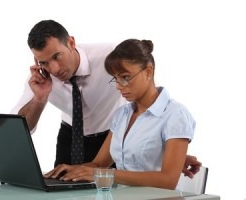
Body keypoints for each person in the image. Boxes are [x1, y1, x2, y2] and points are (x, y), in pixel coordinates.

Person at [11, 19, 201, 178]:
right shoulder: (123, 114)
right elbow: (20, 129)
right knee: (64, 187)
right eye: (44, 63)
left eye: (57, 57)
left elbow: (147, 91)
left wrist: (167, 152)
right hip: (73, 138)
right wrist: (40, 98)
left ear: (71, 43)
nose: (54, 69)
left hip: (107, 138)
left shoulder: (111, 56)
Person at [44, 39, 196, 190]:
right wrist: (70, 171)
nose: (119, 86)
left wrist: (105, 174)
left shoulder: (175, 115)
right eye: (116, 79)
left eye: (126, 77)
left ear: (148, 71)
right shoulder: (122, 115)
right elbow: (98, 164)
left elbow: (168, 180)